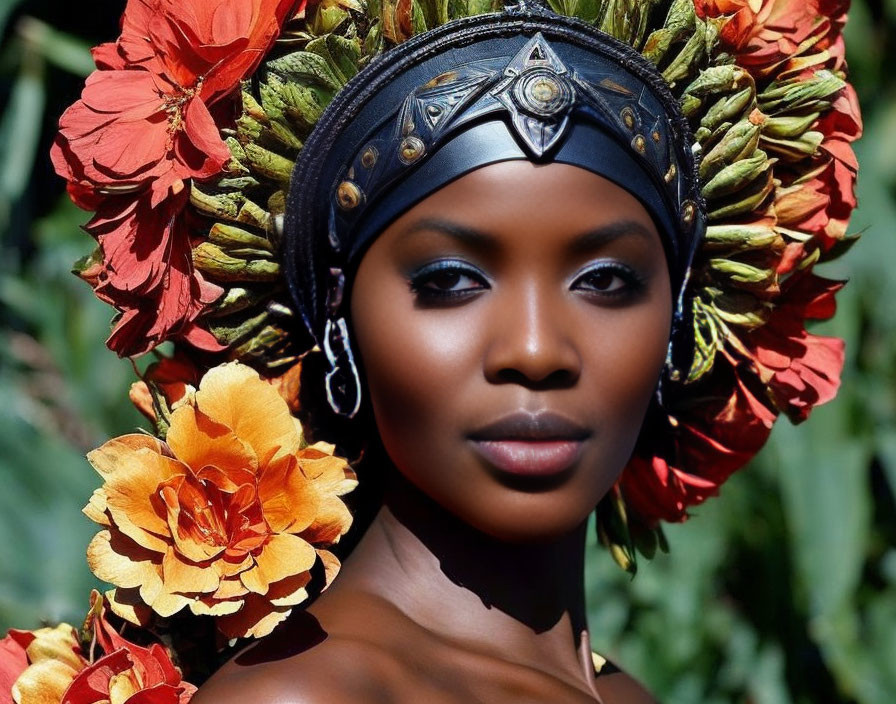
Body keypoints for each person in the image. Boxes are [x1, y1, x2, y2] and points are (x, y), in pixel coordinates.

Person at [45, 0, 860, 702]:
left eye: (607, 280)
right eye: (450, 281)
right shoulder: (309, 693)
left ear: (681, 323)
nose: (537, 350)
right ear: (337, 319)